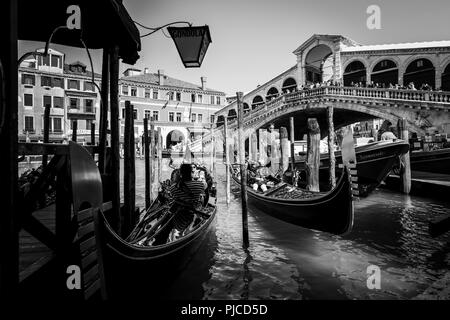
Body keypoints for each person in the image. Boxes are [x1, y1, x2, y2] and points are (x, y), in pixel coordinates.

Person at [168, 163, 207, 240]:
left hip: (177, 218)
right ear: (191, 172)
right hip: (192, 214)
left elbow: (172, 197)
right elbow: (205, 188)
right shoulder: (199, 185)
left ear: (180, 173)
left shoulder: (173, 187)